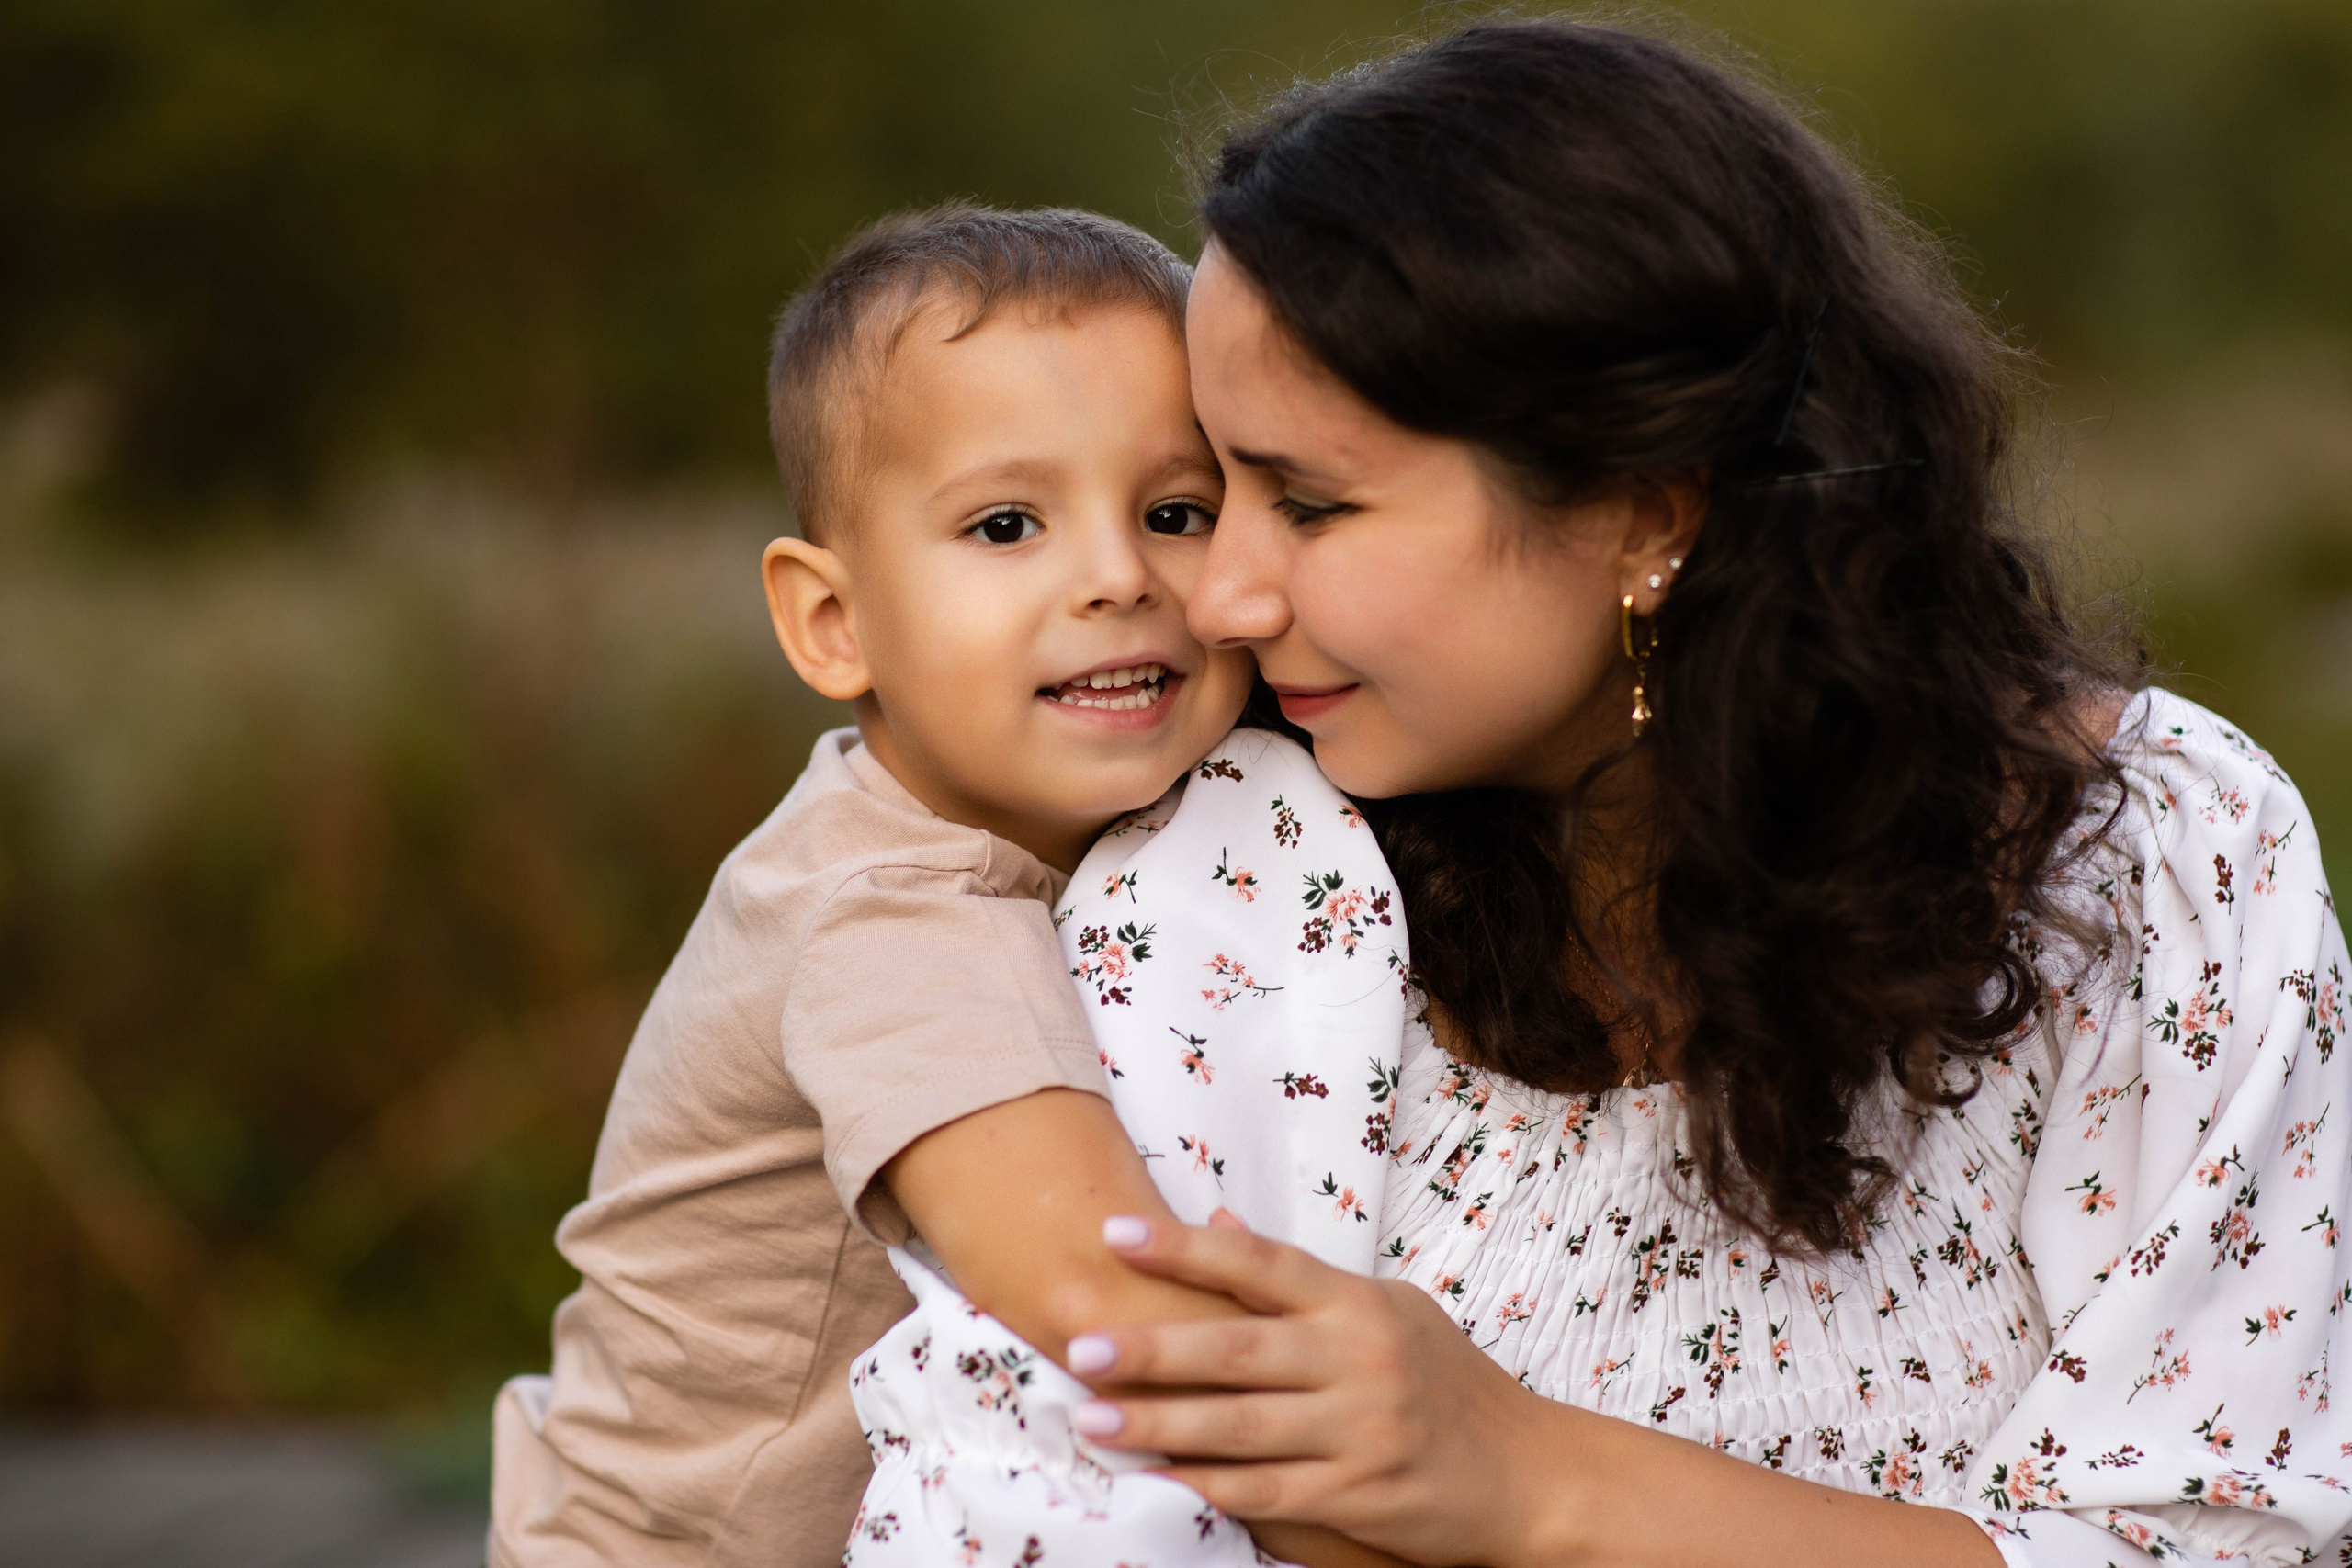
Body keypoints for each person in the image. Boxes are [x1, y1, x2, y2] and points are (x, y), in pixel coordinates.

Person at [1049, 21, 2352, 1568]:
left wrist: (1538, 1481)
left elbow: (2228, 1539)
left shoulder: (2143, 864)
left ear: (1644, 513)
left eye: (1312, 503)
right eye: (1216, 494)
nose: (1221, 600)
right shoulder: (1216, 861)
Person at [488, 203, 1274, 1566]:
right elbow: (1119, 1318)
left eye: (1175, 510)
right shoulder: (889, 916)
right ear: (833, 621)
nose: (1116, 576)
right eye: (1008, 522)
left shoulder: (1105, 822)